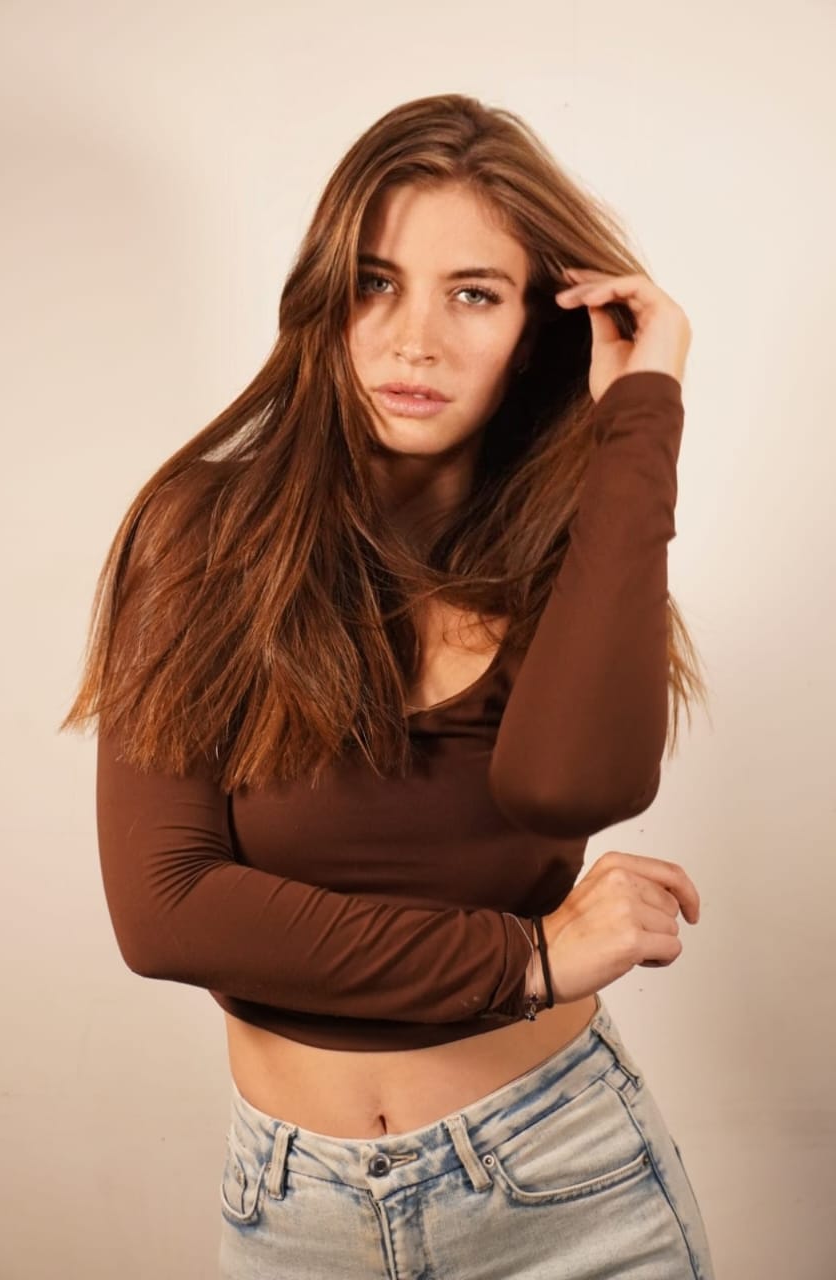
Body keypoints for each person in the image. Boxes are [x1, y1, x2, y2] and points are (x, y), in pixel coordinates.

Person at [61, 93, 717, 1278]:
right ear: (326, 298)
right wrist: (526, 959)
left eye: (475, 293)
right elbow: (166, 910)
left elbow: (578, 784)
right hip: (293, 1210)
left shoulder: (569, 563)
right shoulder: (203, 534)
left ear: (538, 326)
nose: (416, 342)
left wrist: (640, 417)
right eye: (377, 283)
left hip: (572, 1188)